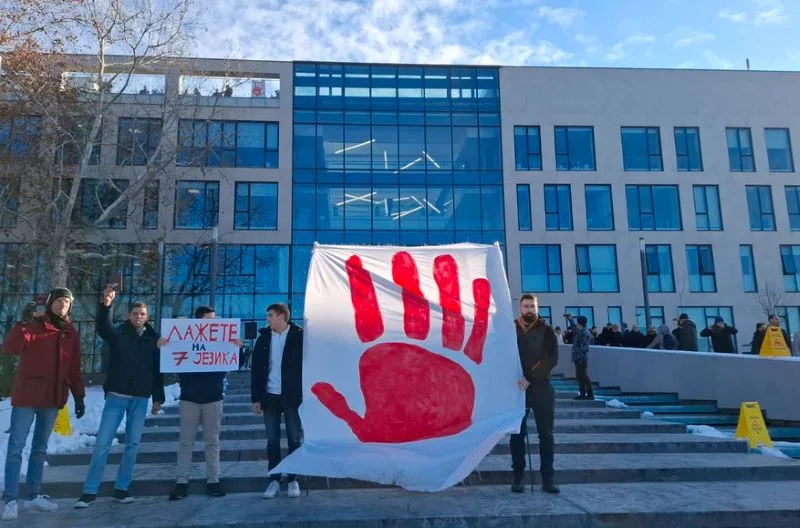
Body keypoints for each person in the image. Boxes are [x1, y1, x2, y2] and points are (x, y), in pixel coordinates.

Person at [74, 285, 164, 508]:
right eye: (135, 313)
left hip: (141, 398)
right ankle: (89, 491)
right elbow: (103, 328)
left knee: (132, 444)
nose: (139, 317)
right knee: (103, 443)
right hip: (116, 396)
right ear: (128, 315)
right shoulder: (118, 334)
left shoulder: (154, 339)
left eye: (143, 314)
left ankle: (122, 488)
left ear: (148, 316)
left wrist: (157, 398)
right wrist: (106, 305)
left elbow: (157, 369)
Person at [1, 289, 85, 521]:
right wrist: (22, 323)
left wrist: (79, 395)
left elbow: (74, 367)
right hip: (28, 396)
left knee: (40, 448)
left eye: (67, 302)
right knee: (16, 448)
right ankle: (10, 499)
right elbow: (9, 348)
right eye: (58, 301)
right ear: (50, 304)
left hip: (52, 397)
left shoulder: (71, 333)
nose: (62, 305)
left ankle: (33, 495)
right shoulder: (34, 325)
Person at [164, 306, 242, 500]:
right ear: (198, 321)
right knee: (185, 442)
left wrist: (236, 348)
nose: (213, 323)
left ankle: (213, 480)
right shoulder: (183, 339)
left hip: (213, 398)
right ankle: (181, 482)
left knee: (212, 442)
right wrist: (164, 346)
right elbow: (168, 361)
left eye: (215, 320)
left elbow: (234, 365)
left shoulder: (221, 340)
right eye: (209, 320)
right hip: (189, 398)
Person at [251, 303, 304, 499]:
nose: (268, 319)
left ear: (282, 317)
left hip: (292, 397)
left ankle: (293, 479)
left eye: (271, 316)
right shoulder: (264, 338)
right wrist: (256, 398)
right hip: (270, 396)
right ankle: (274, 480)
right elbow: (256, 369)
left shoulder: (299, 336)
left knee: (294, 439)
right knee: (272, 440)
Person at [509, 294, 559, 495]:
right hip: (517, 389)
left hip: (541, 387)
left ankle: (548, 478)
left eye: (532, 306)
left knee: (546, 435)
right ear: (520, 308)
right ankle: (518, 477)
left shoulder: (547, 331)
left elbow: (551, 358)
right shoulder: (510, 329)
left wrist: (531, 377)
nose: (529, 309)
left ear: (537, 308)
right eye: (526, 306)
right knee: (517, 435)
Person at [567, 314, 593, 400]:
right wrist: (570, 320)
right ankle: (582, 393)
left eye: (577, 322)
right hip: (578, 358)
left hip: (581, 358)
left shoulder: (585, 333)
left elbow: (584, 348)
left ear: (580, 323)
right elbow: (575, 329)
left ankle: (589, 394)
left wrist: (579, 355)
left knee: (583, 376)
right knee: (580, 376)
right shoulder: (581, 331)